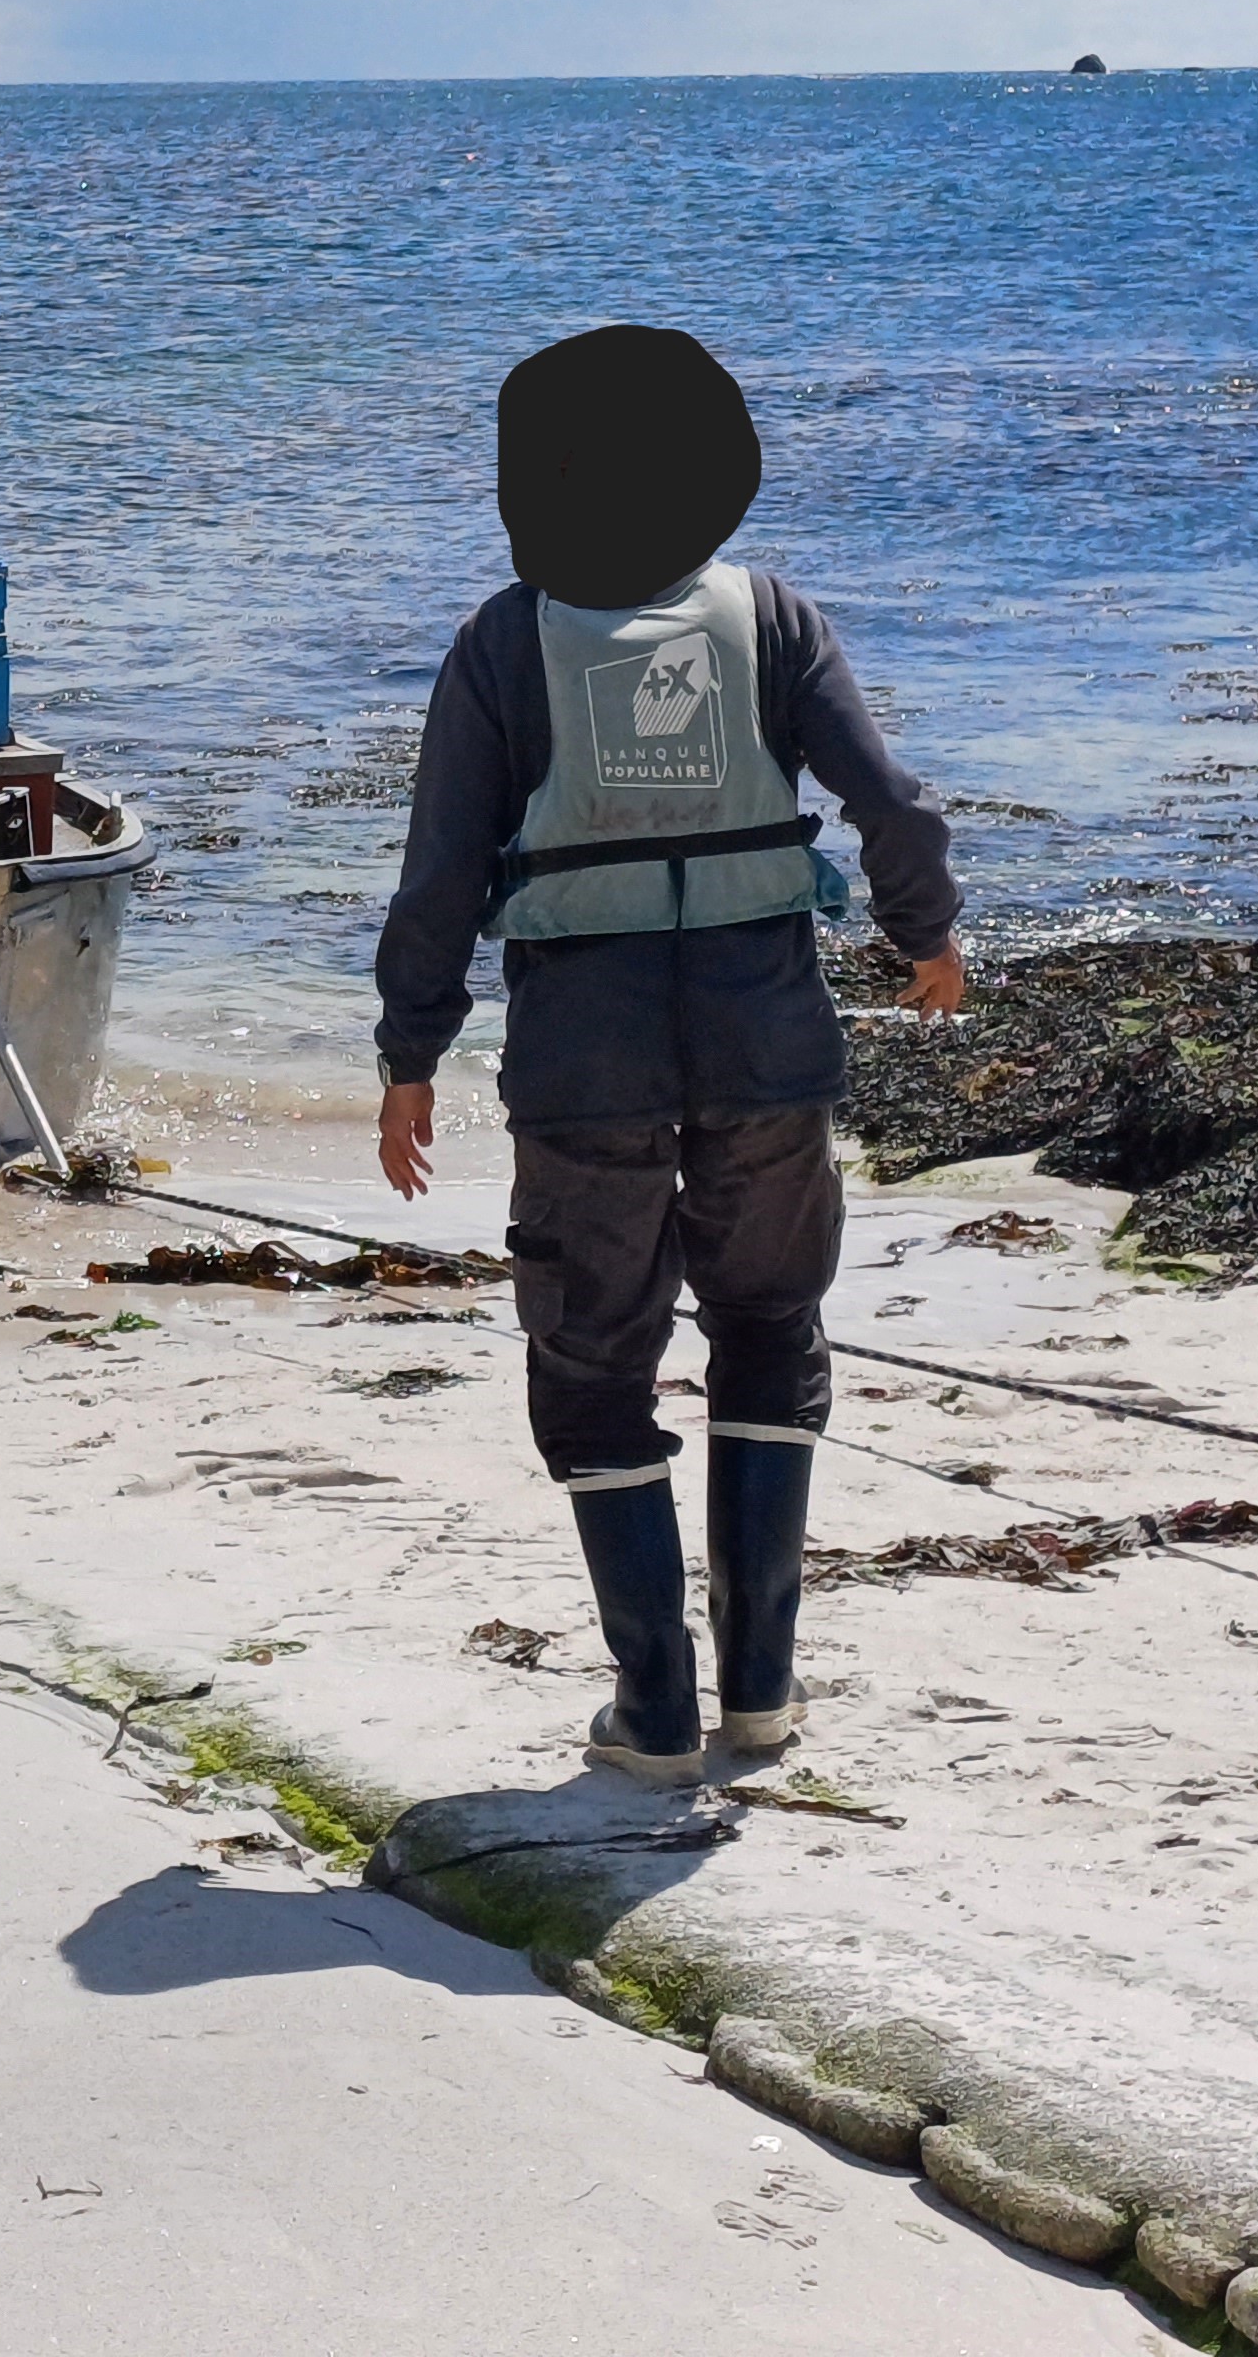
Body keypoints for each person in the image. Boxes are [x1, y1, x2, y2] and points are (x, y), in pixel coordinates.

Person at [370, 325, 963, 1788]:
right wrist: (924, 933)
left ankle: (653, 1709)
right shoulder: (777, 619)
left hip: (589, 1066)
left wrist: (409, 1053)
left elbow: (440, 876)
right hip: (770, 1048)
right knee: (770, 1326)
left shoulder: (505, 643)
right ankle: (760, 1693)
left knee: (593, 1359)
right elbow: (892, 803)